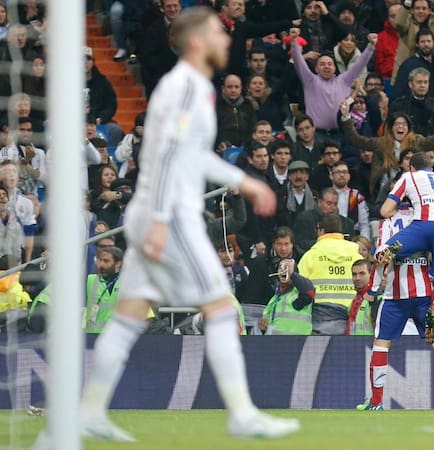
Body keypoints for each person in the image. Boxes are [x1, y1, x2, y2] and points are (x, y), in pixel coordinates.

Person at [79, 8, 300, 441]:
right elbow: (163, 157)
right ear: (197, 41)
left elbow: (191, 155)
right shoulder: (185, 88)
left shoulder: (189, 87)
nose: (226, 38)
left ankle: (88, 410)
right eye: (219, 31)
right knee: (219, 307)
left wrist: (244, 182)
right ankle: (241, 412)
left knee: (126, 318)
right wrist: (162, 220)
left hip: (154, 211)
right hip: (170, 214)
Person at [358, 195, 434, 411]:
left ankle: (377, 402)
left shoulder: (388, 222)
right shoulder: (429, 223)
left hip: (395, 298)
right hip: (424, 296)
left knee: (381, 344)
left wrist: (371, 288)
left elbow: (380, 257)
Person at [378, 152, 434, 320]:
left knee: (384, 254)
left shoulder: (409, 176)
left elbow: (385, 211)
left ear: (412, 167)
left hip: (423, 228)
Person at [298, 213, 363, 335]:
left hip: (320, 317)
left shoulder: (311, 256)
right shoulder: (356, 255)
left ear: (321, 230)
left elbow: (299, 288)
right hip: (352, 314)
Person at [259, 258, 315, 335]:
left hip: (297, 343)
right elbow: (267, 324)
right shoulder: (275, 298)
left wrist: (292, 274)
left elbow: (309, 293)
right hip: (276, 344)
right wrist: (263, 329)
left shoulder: (298, 293)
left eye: (287, 267)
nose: (284, 270)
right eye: (281, 267)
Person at [83, 247, 123, 334]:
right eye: (99, 261)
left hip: (118, 338)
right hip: (91, 338)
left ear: (117, 264)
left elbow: (146, 316)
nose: (101, 265)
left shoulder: (129, 283)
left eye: (106, 261)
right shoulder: (90, 280)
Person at [345, 259, 375, 336]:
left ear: (371, 275)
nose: (357, 278)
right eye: (354, 274)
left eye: (362, 273)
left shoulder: (376, 299)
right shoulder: (355, 300)